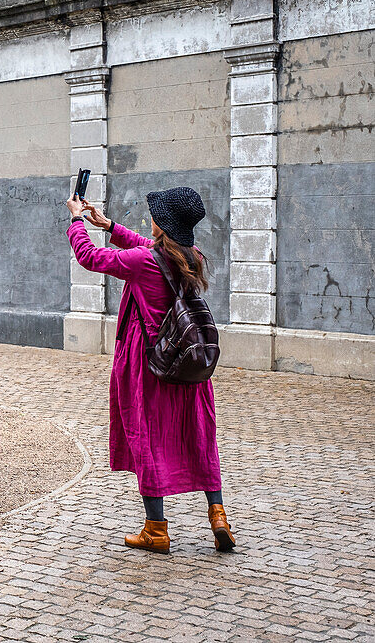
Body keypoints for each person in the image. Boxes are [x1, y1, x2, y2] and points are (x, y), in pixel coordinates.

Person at [65, 186, 236, 554]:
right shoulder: (192, 255)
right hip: (189, 367)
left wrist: (77, 219)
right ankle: (218, 515)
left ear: (162, 223)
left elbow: (89, 257)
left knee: (149, 439)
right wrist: (109, 224)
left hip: (151, 367)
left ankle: (156, 530)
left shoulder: (144, 263)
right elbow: (151, 248)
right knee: (199, 435)